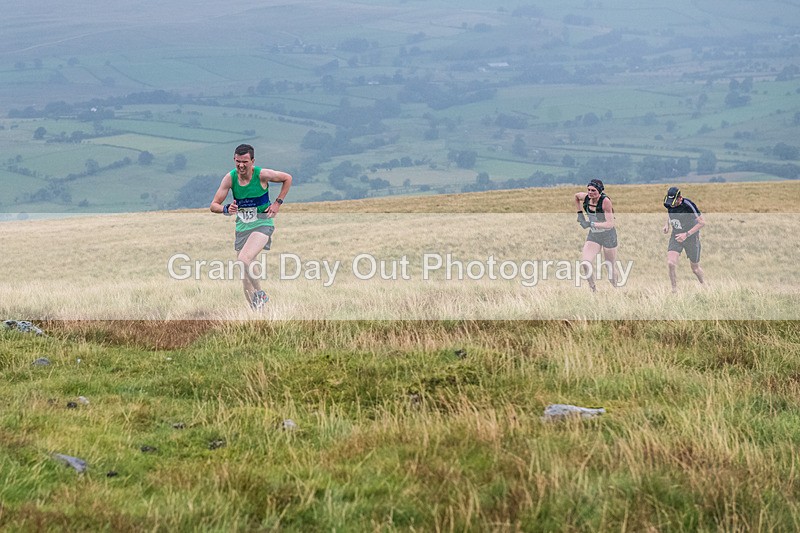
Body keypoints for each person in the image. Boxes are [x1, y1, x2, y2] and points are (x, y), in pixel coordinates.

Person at [210, 144, 292, 309]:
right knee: (245, 274)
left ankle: (260, 292)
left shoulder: (262, 175)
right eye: (237, 161)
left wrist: (277, 203)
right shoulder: (230, 178)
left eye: (245, 162)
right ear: (234, 160)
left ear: (252, 161)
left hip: (263, 223)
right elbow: (214, 205)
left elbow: (287, 178)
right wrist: (226, 209)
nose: (241, 165)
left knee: (244, 259)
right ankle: (258, 314)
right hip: (242, 228)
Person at [574, 179, 618, 291]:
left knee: (610, 266)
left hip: (608, 235)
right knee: (585, 263)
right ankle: (593, 289)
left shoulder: (605, 201)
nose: (590, 192)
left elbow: (610, 224)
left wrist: (591, 223)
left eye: (593, 190)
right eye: (588, 189)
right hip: (594, 235)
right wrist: (580, 214)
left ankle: (616, 289)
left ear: (599, 191)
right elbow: (576, 196)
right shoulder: (586, 197)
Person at [663, 186, 705, 292]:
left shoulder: (688, 205)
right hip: (676, 235)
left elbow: (702, 223)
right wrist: (666, 225)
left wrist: (686, 235)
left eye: (674, 201)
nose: (672, 204)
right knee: (671, 263)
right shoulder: (669, 203)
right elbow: (669, 213)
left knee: (695, 269)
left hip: (691, 237)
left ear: (680, 198)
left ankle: (704, 285)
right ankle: (674, 290)